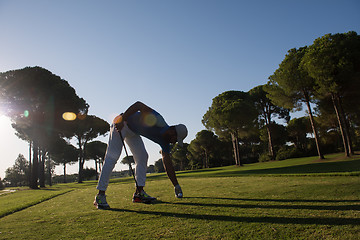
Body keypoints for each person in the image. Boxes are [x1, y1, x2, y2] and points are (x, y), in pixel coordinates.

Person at [94, 101, 188, 209]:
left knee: (143, 156)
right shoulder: (158, 120)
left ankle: (139, 193)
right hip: (122, 123)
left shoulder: (165, 142)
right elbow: (138, 105)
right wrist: (122, 119)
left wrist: (176, 185)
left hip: (133, 132)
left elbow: (168, 165)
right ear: (173, 132)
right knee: (112, 157)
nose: (174, 142)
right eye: (175, 139)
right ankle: (100, 196)